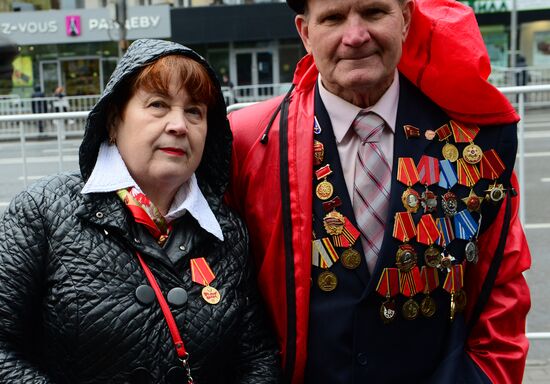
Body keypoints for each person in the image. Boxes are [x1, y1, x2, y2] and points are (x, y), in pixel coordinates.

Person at [225, 1, 530, 383]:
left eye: (373, 12)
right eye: (333, 18)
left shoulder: (475, 139)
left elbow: (501, 296)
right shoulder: (249, 141)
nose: (355, 36)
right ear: (305, 32)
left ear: (404, 19)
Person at [0, 39, 280, 383]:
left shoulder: (227, 232)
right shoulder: (42, 211)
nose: (179, 125)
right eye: (158, 105)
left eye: (194, 111)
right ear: (114, 121)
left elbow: (257, 357)